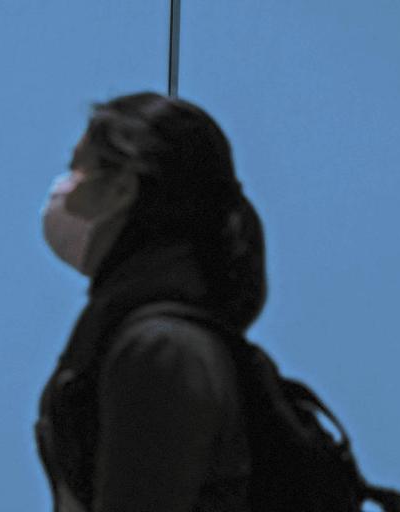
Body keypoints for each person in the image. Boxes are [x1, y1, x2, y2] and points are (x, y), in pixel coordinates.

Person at [34, 91, 267, 512]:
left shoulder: (160, 349)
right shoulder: (147, 336)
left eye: (77, 168)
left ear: (123, 187)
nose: (63, 191)